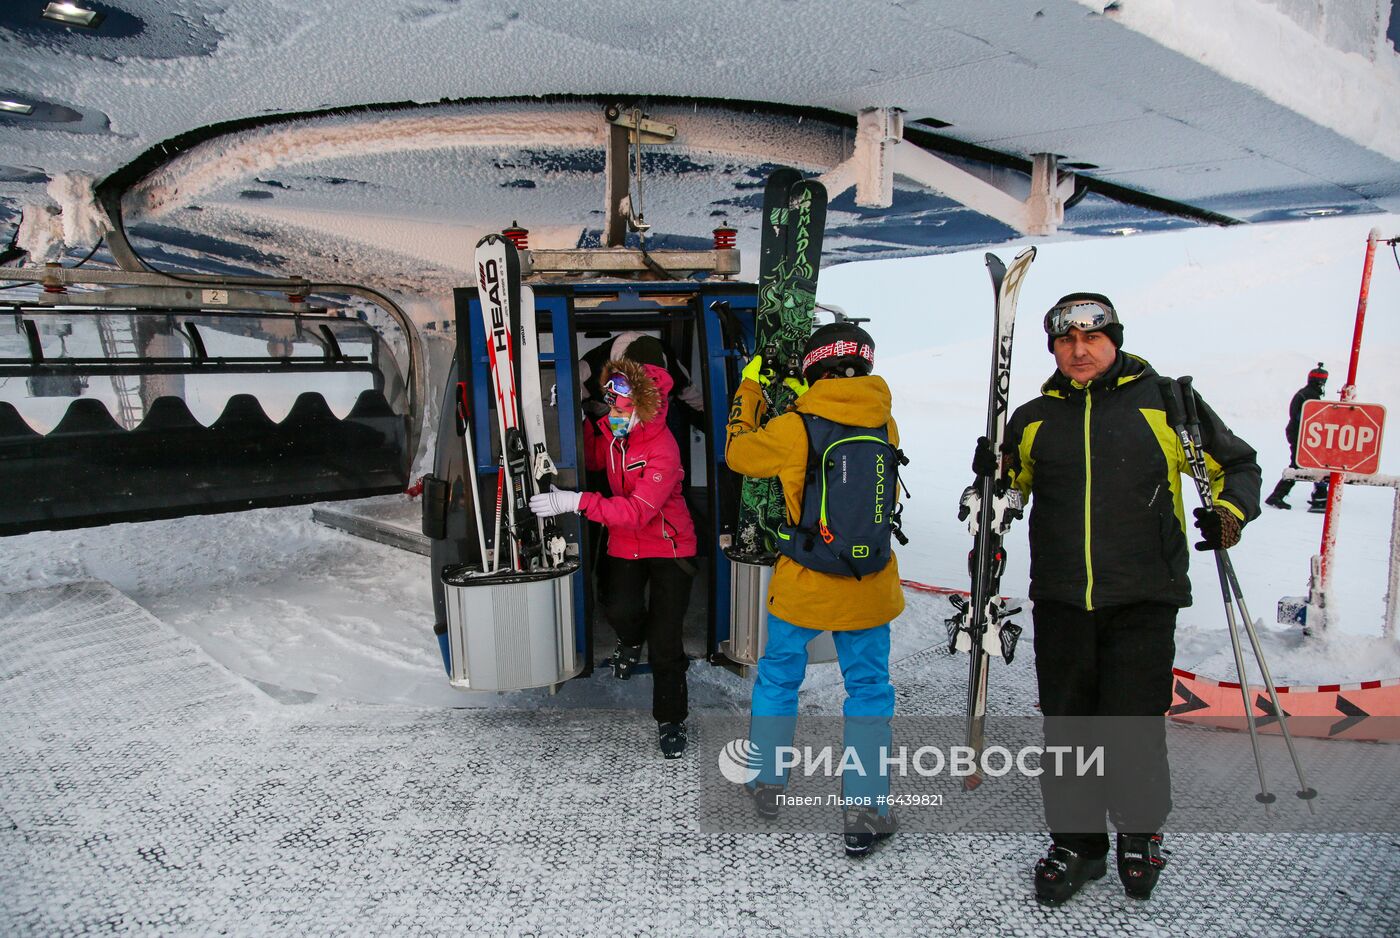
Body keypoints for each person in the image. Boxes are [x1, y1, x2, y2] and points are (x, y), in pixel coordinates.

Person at [996, 293, 1261, 904]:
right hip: (1062, 598)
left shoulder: (1167, 402)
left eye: (1092, 338)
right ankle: (1078, 845)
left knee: (1132, 725)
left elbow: (1238, 467)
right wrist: (993, 476)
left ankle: (1139, 836)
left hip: (1144, 595)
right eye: (1066, 341)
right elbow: (1012, 489)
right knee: (1067, 730)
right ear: (1054, 348)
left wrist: (1229, 512)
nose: (1079, 350)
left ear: (1114, 340)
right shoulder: (1034, 416)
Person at [725, 321, 904, 858]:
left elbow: (739, 455)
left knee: (779, 679)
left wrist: (752, 390)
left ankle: (767, 784)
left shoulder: (795, 427)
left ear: (812, 367)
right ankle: (866, 810)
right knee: (869, 690)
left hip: (805, 583)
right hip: (869, 583)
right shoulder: (885, 421)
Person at [528, 357, 698, 759]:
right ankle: (630, 637)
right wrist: (571, 415)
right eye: (611, 403)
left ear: (643, 407)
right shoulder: (614, 433)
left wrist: (575, 501)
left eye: (621, 406)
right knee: (618, 606)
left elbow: (639, 511)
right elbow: (589, 459)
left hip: (670, 545)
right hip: (625, 541)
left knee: (666, 639)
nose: (614, 411)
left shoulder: (663, 449)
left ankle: (670, 718)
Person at [1264, 363, 1329, 511]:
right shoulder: (1311, 397)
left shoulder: (1306, 393)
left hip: (1300, 434)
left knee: (1311, 464)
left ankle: (1320, 495)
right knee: (1299, 465)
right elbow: (1307, 418)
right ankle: (1277, 496)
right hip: (1301, 435)